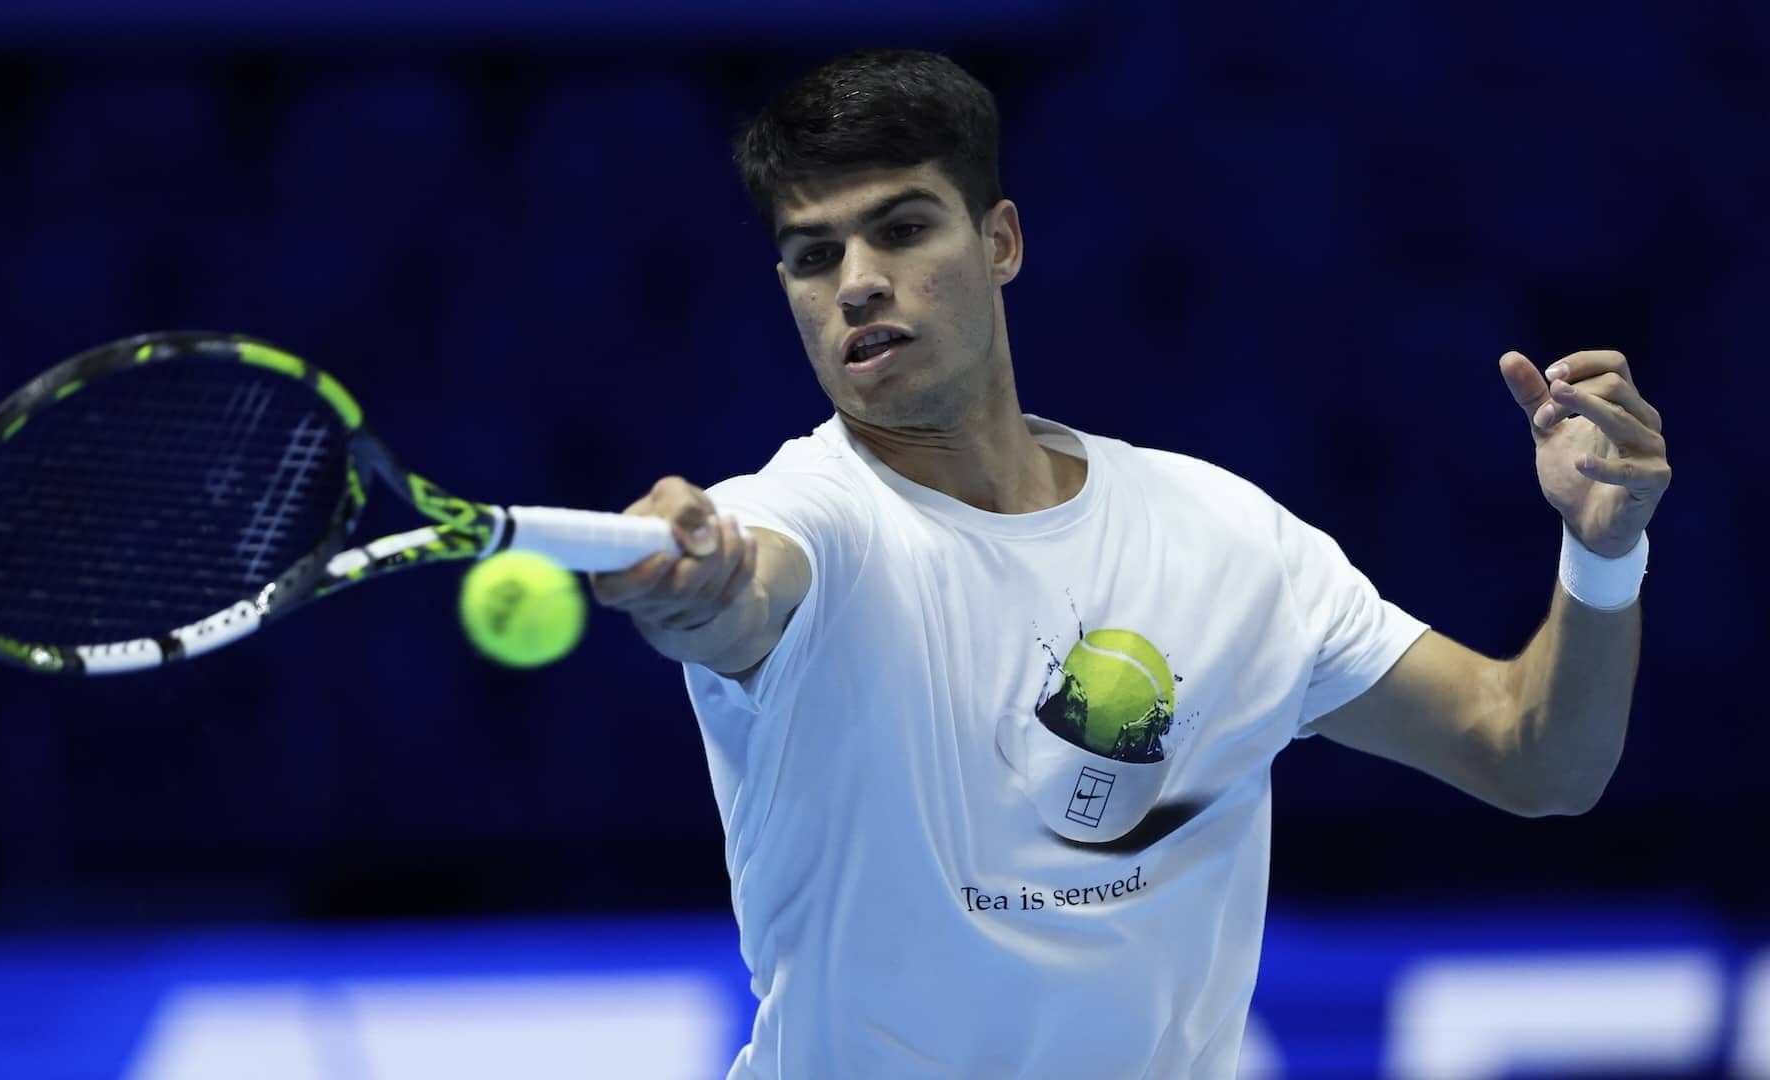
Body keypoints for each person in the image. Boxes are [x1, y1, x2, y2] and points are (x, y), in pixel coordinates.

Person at [589, 48, 1670, 1078]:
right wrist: (693, 585)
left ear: (1000, 241)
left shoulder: (1223, 536)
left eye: (903, 229)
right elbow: (741, 593)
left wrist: (1601, 551)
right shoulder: (802, 521)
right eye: (814, 255)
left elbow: (1536, 759)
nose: (859, 284)